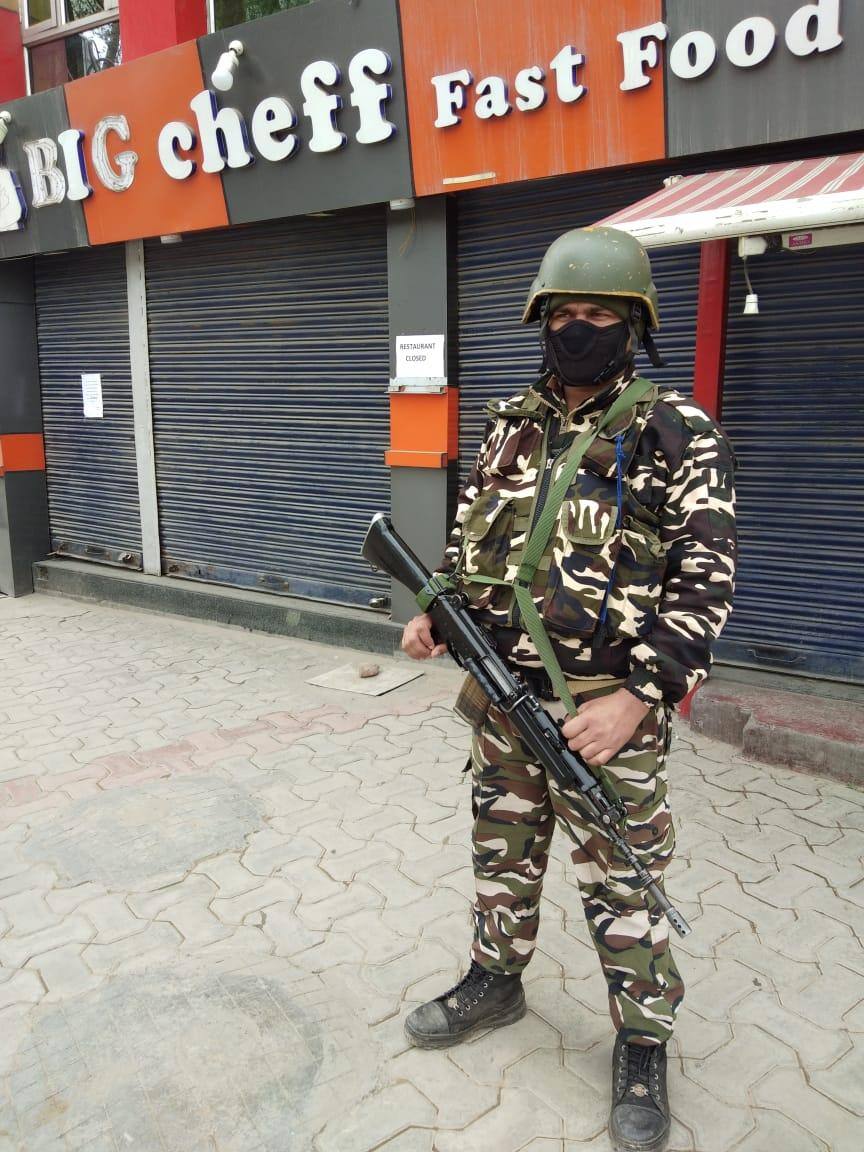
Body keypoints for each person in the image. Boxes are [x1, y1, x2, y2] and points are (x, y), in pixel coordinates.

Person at [400, 226, 736, 1152]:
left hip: (606, 714)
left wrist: (639, 700)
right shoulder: (512, 420)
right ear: (541, 321)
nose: (578, 329)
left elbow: (706, 581)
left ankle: (641, 1040)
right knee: (501, 850)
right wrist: (438, 606)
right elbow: (477, 533)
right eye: (564, 314)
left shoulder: (679, 433)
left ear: (634, 325)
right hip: (502, 696)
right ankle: (494, 980)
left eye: (599, 314)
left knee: (624, 882)